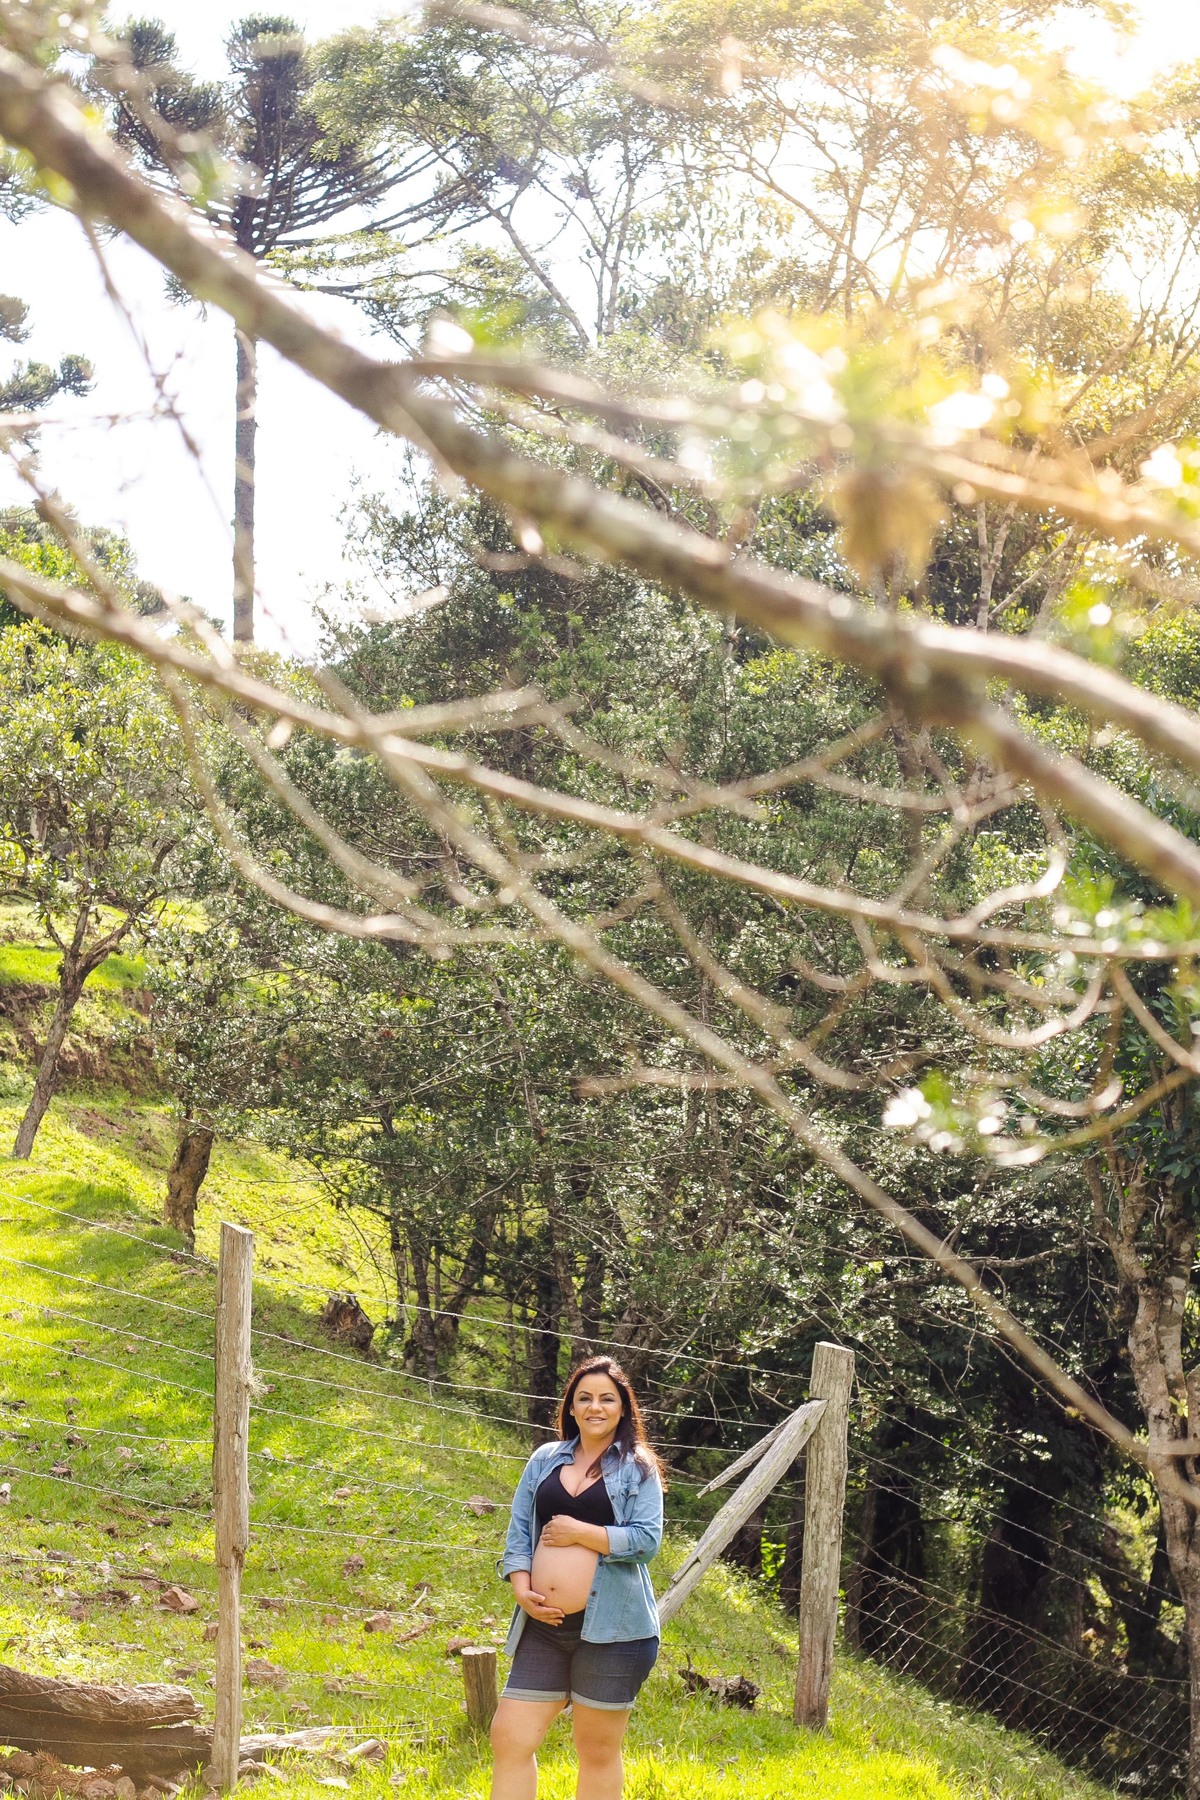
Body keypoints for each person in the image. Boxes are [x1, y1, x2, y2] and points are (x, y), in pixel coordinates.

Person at [490, 1355, 666, 1800]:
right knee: (509, 1737)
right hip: (544, 1627)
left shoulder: (638, 1467)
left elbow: (647, 1541)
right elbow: (519, 1532)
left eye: (607, 1399)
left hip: (614, 1632)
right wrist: (522, 1589)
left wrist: (581, 1533)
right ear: (570, 1407)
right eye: (584, 1398)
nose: (595, 1407)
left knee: (596, 1750)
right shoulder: (545, 1459)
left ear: (623, 1408)